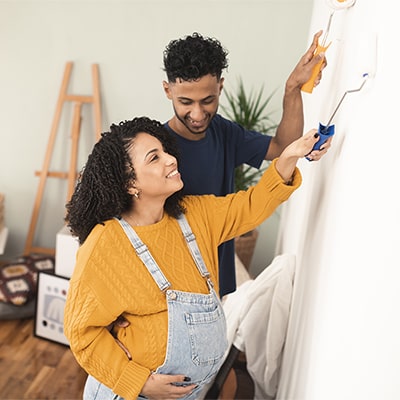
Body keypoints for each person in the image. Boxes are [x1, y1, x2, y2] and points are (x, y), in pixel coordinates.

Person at [63, 116, 329, 400]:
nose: (170, 160)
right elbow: (81, 332)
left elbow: (252, 204)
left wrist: (288, 157)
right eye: (154, 158)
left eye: (165, 151)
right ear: (130, 183)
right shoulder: (106, 244)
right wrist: (140, 383)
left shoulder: (194, 215)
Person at [161, 31, 329, 297]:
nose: (197, 114)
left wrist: (292, 88)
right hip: (173, 285)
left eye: (207, 100)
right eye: (185, 102)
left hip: (217, 282)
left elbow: (282, 148)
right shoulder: (155, 148)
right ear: (168, 90)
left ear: (220, 87)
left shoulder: (224, 133)